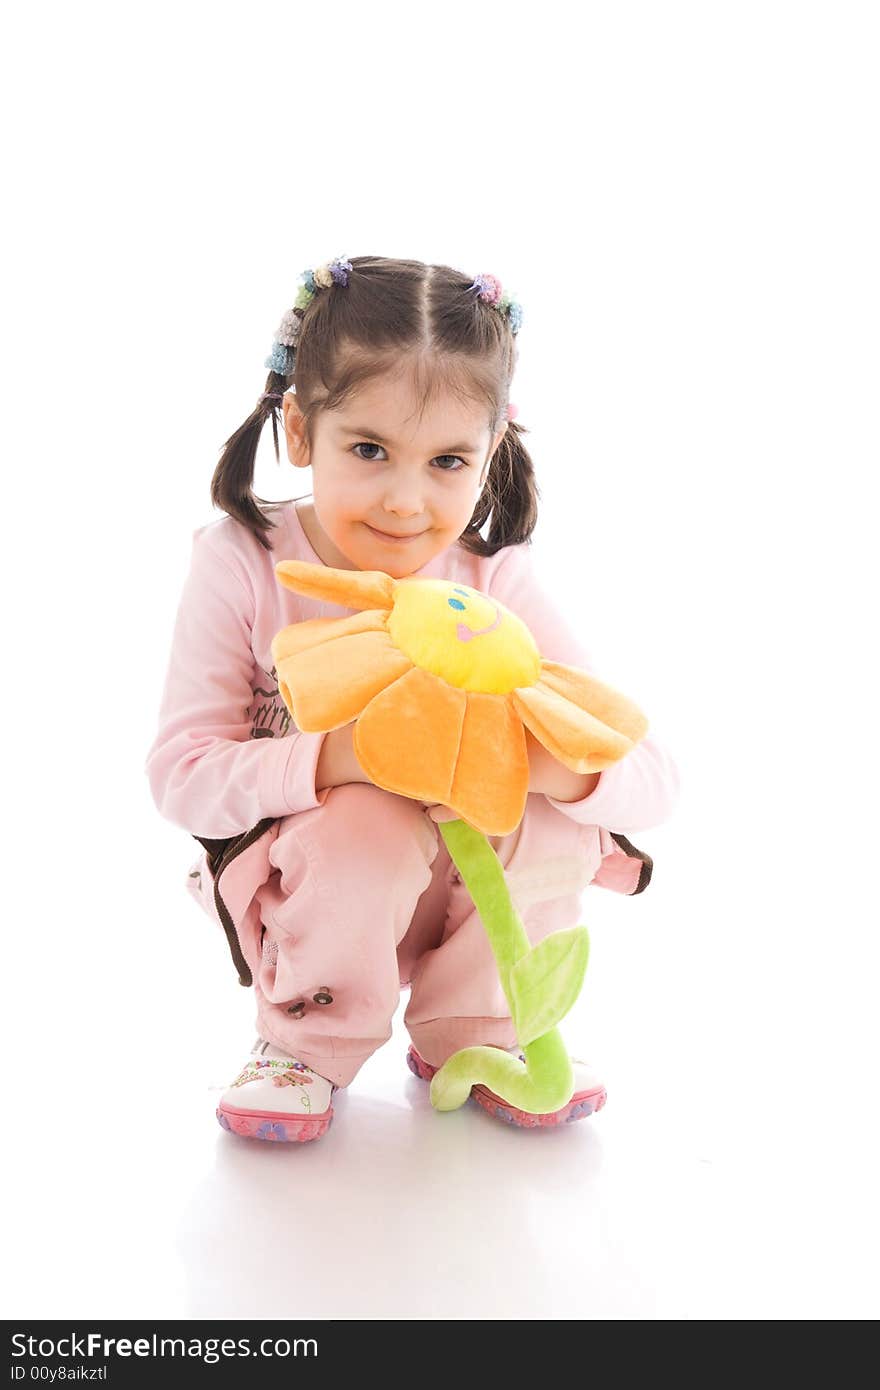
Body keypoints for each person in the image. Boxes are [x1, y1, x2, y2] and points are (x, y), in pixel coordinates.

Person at [144, 254, 680, 1143]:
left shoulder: (494, 579)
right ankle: (302, 1046)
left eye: (446, 461)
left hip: (465, 894)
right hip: (310, 889)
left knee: (547, 814)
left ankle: (479, 1026)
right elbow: (183, 775)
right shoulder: (241, 561)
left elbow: (652, 776)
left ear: (490, 453)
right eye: (368, 450)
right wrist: (341, 760)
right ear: (300, 427)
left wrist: (554, 768)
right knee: (370, 821)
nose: (405, 500)